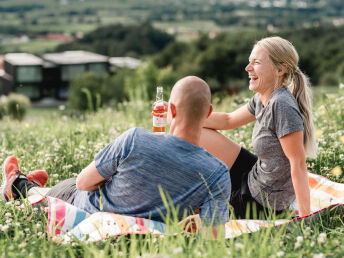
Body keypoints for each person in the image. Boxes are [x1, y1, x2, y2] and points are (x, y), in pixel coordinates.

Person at [1, 76, 231, 231]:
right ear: (209, 112)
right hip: (150, 234)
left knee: (70, 184)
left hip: (88, 214)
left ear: (170, 110)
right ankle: (27, 184)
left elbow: (83, 183)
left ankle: (19, 185)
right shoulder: (218, 173)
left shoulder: (135, 139)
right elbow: (214, 232)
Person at [200, 36, 317, 219]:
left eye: (256, 63)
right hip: (255, 175)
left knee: (200, 204)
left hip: (262, 202)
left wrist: (305, 219)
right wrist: (181, 116)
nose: (248, 69)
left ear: (280, 69)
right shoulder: (263, 97)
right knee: (196, 131)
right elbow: (228, 120)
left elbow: (298, 164)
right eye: (249, 62)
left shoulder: (281, 105)